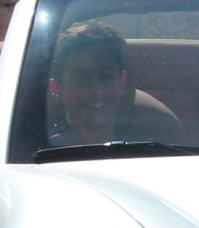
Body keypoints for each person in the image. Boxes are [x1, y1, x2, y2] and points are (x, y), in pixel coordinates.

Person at [45, 20, 181, 148]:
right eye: (82, 80)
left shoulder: (146, 154)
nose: (97, 91)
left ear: (122, 83)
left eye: (106, 77)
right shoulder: (39, 156)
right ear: (56, 89)